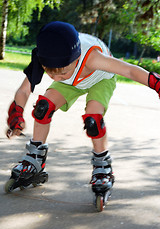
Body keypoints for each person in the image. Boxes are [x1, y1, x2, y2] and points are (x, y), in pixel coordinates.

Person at [6, 21, 160, 194]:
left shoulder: (92, 58)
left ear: (77, 58)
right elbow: (24, 90)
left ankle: (103, 167)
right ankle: (35, 158)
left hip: (100, 79)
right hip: (72, 82)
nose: (55, 78)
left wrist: (156, 83)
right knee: (43, 107)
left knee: (93, 119)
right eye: (50, 72)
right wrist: (17, 113)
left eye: (61, 72)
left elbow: (129, 71)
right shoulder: (46, 56)